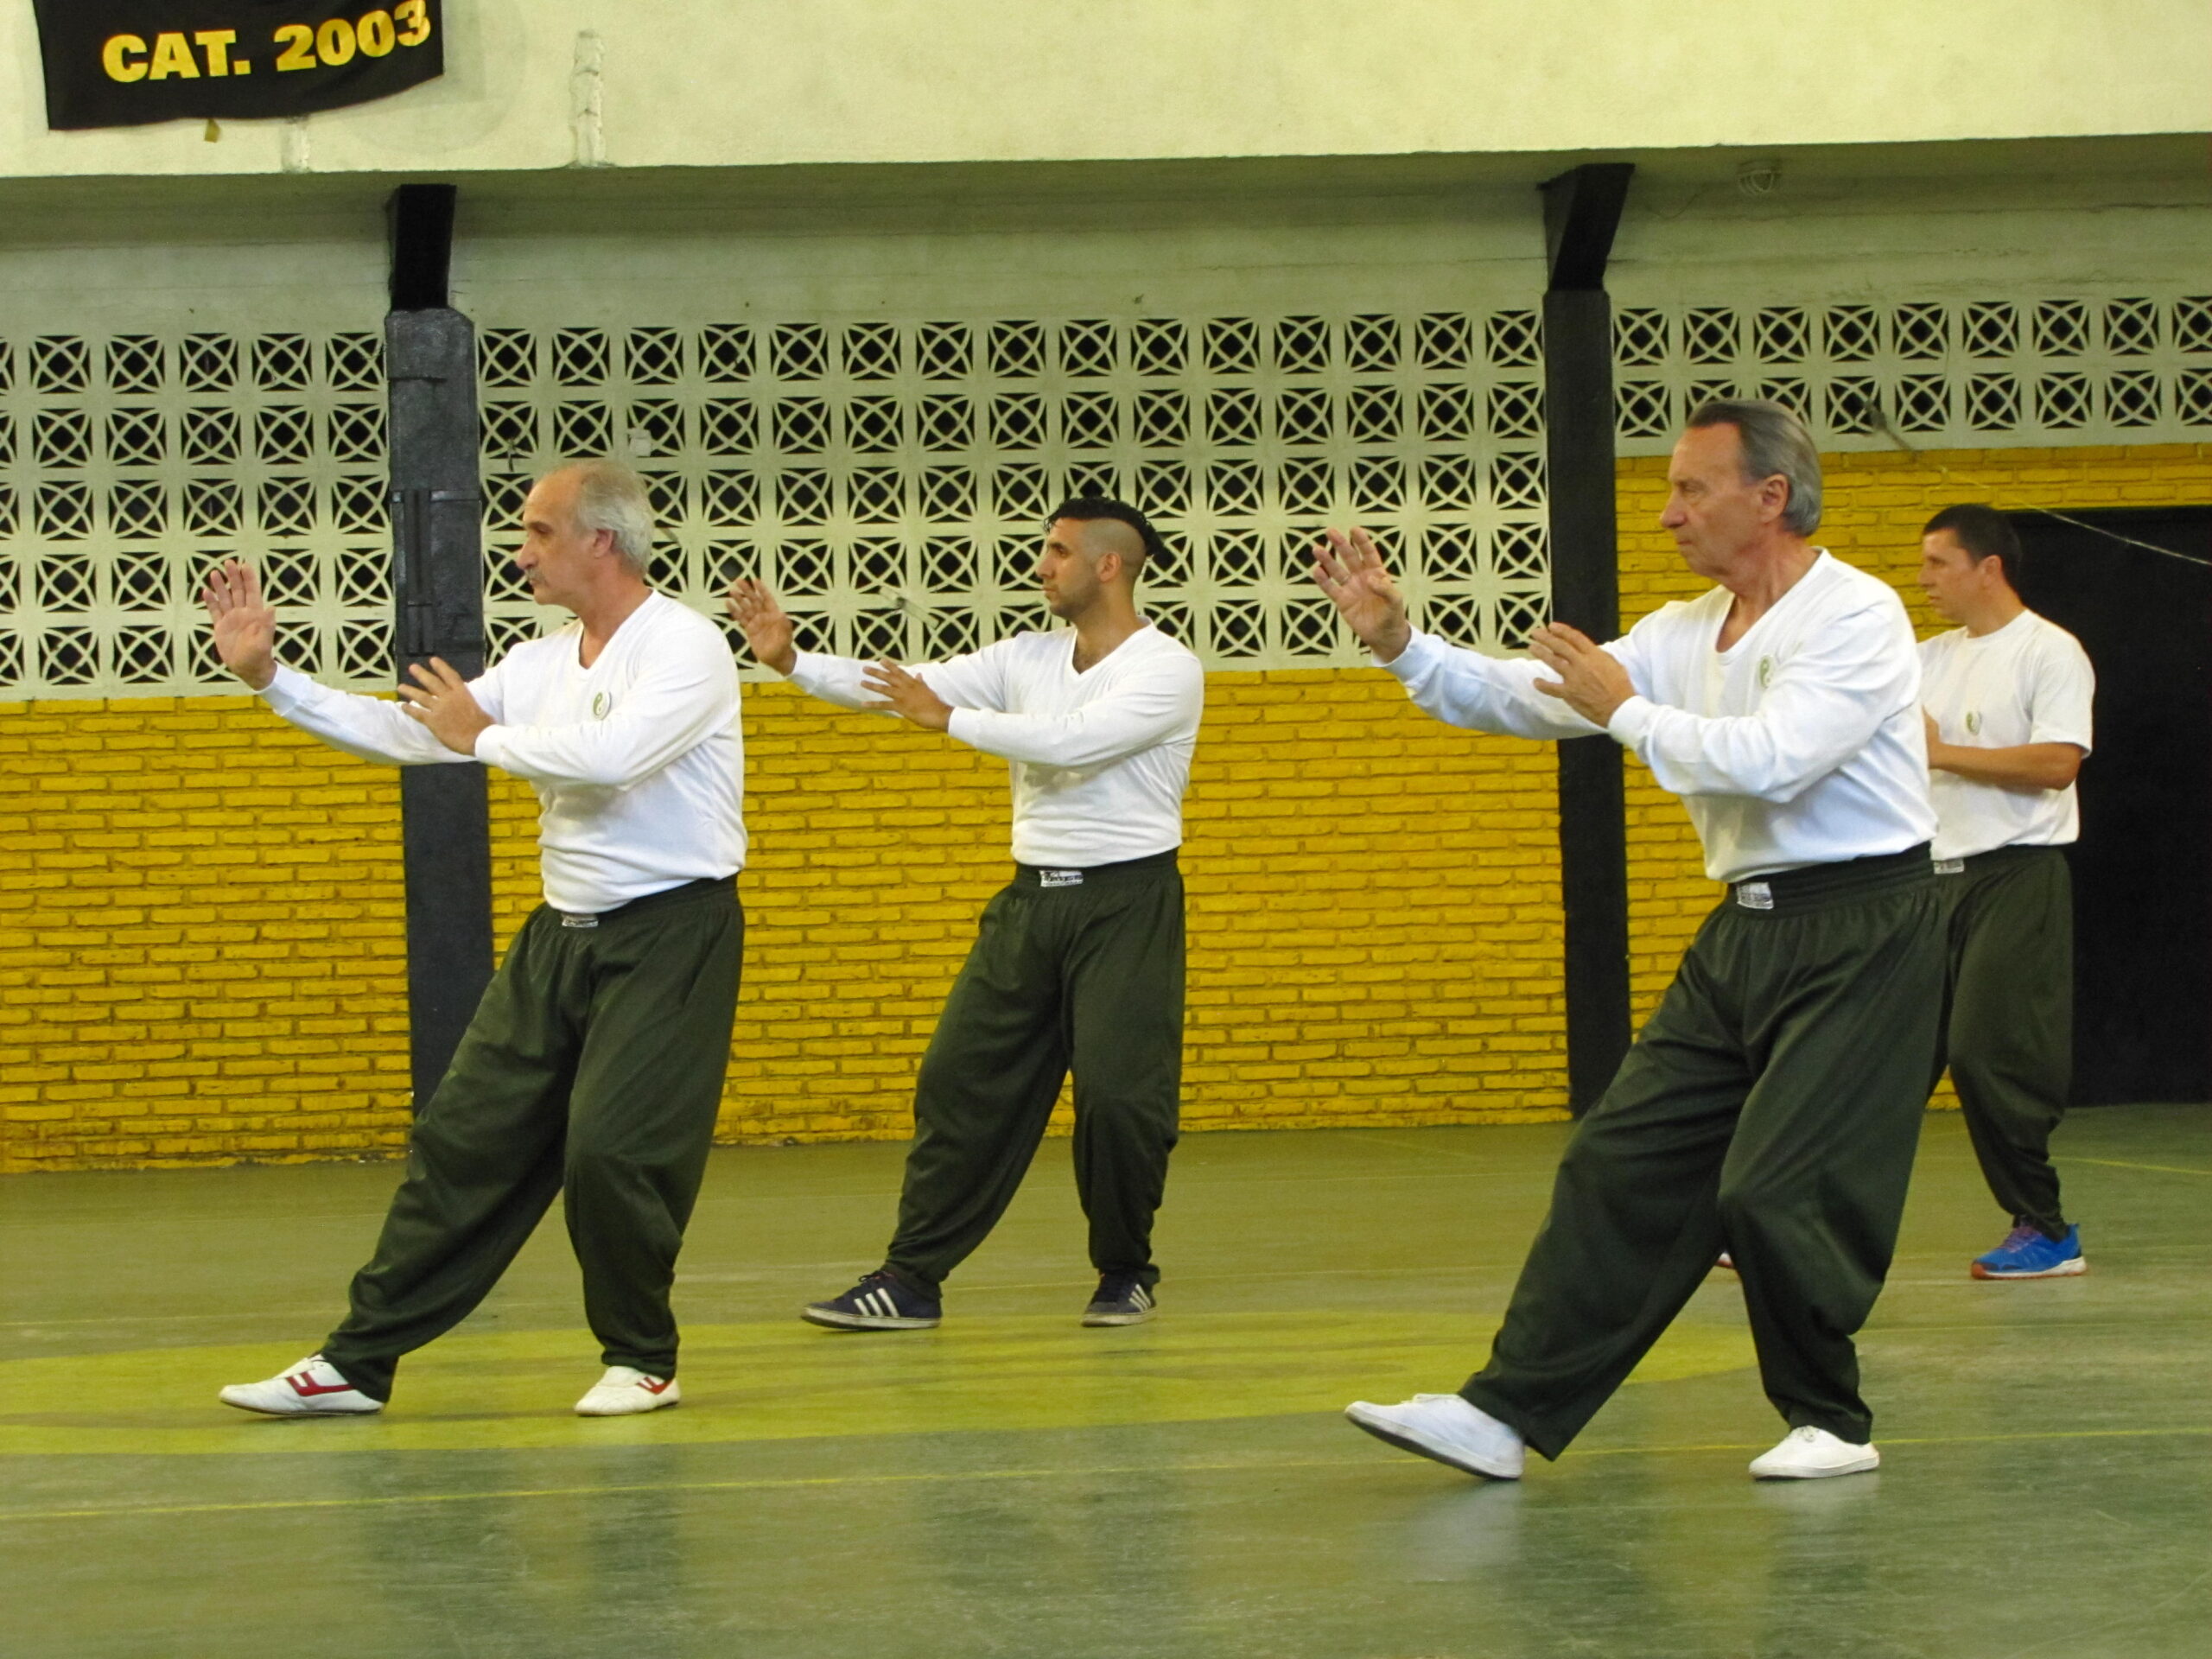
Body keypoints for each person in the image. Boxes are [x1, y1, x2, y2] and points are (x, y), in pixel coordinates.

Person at [1320, 400, 1942, 1482]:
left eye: (1690, 489)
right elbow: (1532, 695)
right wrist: (1401, 644)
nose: (1667, 515)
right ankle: (1504, 1413)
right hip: (1744, 930)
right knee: (1619, 1161)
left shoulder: (1856, 614)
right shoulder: (1681, 632)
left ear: (1770, 496)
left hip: (1866, 925)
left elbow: (1770, 760)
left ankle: (1831, 1421)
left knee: (1772, 1188)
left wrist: (1624, 713)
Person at [208, 460, 745, 1418]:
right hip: (559, 939)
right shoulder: (540, 664)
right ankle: (356, 1364)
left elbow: (613, 761)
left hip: (671, 933)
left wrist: (479, 738)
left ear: (601, 540)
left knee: (613, 1151)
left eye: (540, 531)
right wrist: (272, 681)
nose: (521, 551)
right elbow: (415, 733)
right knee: (464, 1140)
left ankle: (642, 1358)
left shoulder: (685, 647)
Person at [728, 499, 1203, 1331]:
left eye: (1058, 552)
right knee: (958, 1078)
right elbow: (899, 688)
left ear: (1109, 566)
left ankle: (1125, 1268)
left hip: (1127, 906)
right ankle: (911, 1279)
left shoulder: (1167, 669)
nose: (1041, 566)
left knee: (1121, 1100)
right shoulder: (1025, 657)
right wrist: (793, 661)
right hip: (1031, 904)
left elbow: (1076, 740)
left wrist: (947, 720)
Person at [1916, 505, 2094, 1280]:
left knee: (1985, 1053)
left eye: (1938, 564)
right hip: (1930, 883)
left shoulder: (2049, 651)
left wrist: (1944, 754)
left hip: (2016, 875)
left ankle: (2045, 1229)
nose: (1923, 580)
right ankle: (1795, 1219)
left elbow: (2057, 764)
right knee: (1879, 1059)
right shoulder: (1925, 658)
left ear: (1988, 568)